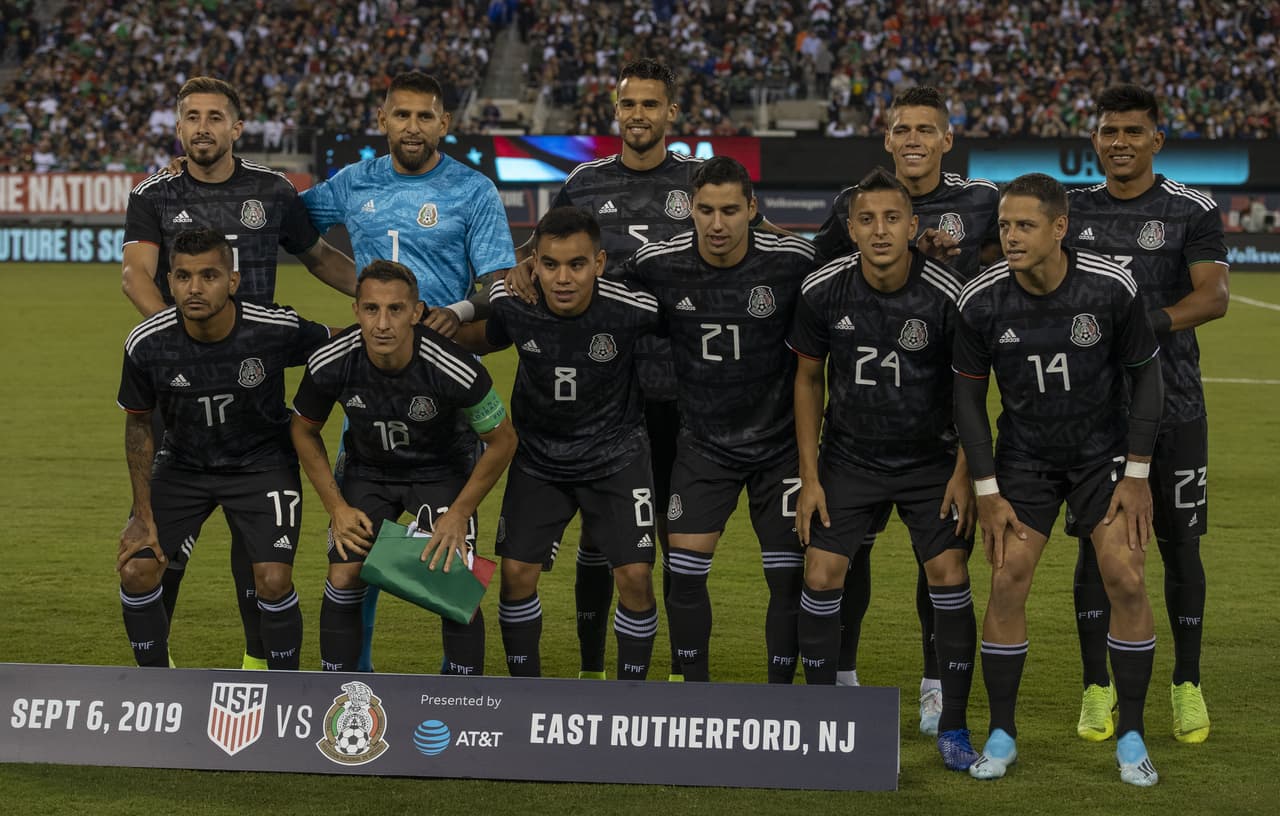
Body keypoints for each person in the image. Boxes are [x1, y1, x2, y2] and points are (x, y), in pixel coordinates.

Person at [121, 76, 356, 671]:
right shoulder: (154, 194)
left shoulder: (272, 192)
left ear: (237, 127)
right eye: (192, 117)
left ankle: (262, 669)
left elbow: (321, 258)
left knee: (260, 562)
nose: (203, 127)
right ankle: (156, 679)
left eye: (214, 117)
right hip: (185, 396)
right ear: (179, 129)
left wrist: (384, 297)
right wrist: (185, 341)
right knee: (156, 555)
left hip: (259, 381)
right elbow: (135, 275)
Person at [301, 71, 518, 671]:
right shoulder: (353, 182)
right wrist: (362, 292)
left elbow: (500, 281)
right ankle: (352, 686)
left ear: (444, 123)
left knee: (449, 572)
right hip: (369, 381)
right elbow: (295, 228)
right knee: (353, 555)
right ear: (383, 120)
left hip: (443, 388)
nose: (413, 127)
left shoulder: (472, 191)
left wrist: (459, 311)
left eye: (425, 116)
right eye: (402, 115)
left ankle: (460, 697)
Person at [952, 173, 1164, 786]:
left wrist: (1138, 474)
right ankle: (1002, 732)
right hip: (1024, 462)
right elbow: (967, 402)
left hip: (1103, 461)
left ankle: (1130, 734)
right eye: (1004, 226)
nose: (1011, 237)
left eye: (1025, 226)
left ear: (1059, 227)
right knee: (1007, 578)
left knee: (1125, 576)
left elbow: (1146, 378)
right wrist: (988, 491)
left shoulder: (1110, 288)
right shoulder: (982, 300)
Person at [809, 85, 1000, 732]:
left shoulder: (983, 203)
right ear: (887, 140)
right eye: (902, 129)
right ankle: (841, 677)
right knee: (847, 556)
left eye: (926, 128)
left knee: (940, 561)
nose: (914, 138)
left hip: (937, 403)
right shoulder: (849, 206)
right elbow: (819, 277)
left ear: (948, 139)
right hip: (859, 419)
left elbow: (1013, 268)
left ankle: (933, 684)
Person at [789, 167, 978, 771]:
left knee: (948, 572)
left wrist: (963, 470)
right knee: (821, 573)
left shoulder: (949, 296)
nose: (879, 230)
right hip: (850, 458)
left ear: (913, 226)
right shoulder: (822, 290)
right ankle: (821, 719)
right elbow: (807, 379)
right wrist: (811, 477)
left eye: (892, 219)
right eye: (867, 219)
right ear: (850, 228)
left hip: (931, 461)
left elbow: (973, 389)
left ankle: (953, 723)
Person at [1064, 84, 1228, 745]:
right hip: (1095, 413)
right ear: (1094, 141)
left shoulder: (1191, 208)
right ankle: (1096, 686)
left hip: (1176, 405)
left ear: (1157, 140)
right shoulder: (1069, 211)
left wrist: (1141, 327)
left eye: (1135, 131)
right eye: (1109, 131)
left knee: (1180, 546)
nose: (1121, 142)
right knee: (1095, 550)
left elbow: (1213, 296)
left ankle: (1186, 683)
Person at [621, 156, 813, 683]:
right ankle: (694, 691)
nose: (718, 223)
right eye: (706, 210)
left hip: (779, 447)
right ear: (690, 210)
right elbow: (594, 285)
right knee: (683, 574)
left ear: (752, 209)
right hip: (703, 445)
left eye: (730, 209)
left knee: (788, 580)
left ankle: (782, 694)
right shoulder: (658, 263)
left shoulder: (792, 259)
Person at [458, 207, 661, 680]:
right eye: (550, 264)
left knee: (635, 576)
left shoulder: (634, 309)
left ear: (600, 263)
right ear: (535, 264)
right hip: (539, 459)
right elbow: (482, 334)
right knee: (514, 577)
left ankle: (631, 699)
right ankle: (526, 696)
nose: (563, 278)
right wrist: (437, 322)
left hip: (616, 456)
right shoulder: (516, 304)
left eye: (576, 264)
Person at [116, 228, 333, 671]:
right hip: (183, 466)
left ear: (233, 280)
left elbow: (342, 343)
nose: (195, 288)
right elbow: (138, 424)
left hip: (261, 465)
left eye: (209, 275)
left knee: (272, 579)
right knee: (137, 570)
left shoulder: (273, 328)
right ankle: (156, 687)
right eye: (183, 276)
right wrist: (142, 513)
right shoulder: (147, 344)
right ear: (170, 282)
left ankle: (284, 690)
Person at [290, 260, 516, 675]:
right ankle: (339, 693)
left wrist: (459, 515)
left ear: (415, 312)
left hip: (441, 469)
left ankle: (460, 700)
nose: (382, 323)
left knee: (453, 579)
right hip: (368, 471)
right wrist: (337, 508)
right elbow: (303, 431)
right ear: (356, 311)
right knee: (344, 574)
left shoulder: (454, 366)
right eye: (372, 309)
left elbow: (502, 440)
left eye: (395, 309)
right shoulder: (330, 362)